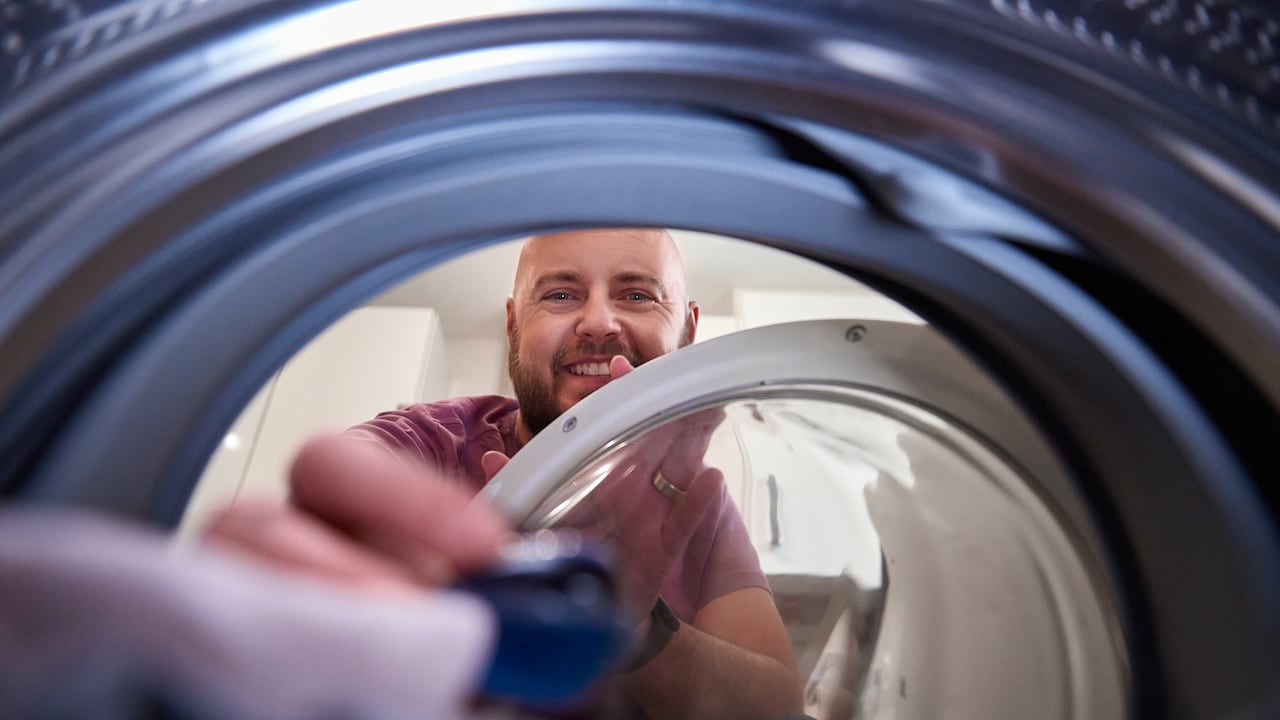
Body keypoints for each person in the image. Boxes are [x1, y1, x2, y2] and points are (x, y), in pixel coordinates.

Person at [206, 228, 804, 719]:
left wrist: (635, 629)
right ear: (514, 324)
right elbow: (315, 532)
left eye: (637, 295)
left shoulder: (698, 503)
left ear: (689, 330)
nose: (599, 322)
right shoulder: (427, 441)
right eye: (562, 295)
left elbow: (775, 708)